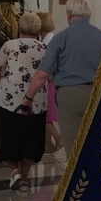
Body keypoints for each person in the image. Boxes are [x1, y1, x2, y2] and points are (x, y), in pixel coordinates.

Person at [21, 0, 101, 158]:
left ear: (68, 14)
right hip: (100, 93)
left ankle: (78, 182)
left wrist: (28, 98)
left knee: (75, 147)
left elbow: (42, 74)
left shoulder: (61, 37)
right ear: (88, 14)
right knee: (98, 144)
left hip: (71, 95)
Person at [0, 13, 47, 192]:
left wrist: (5, 85)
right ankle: (24, 178)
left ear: (19, 28)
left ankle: (14, 173)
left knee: (10, 134)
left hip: (10, 100)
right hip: (36, 100)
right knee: (32, 138)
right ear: (38, 29)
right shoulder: (45, 47)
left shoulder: (9, 45)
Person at [37, 11, 63, 154]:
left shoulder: (49, 41)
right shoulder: (46, 39)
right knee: (45, 113)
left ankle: (59, 138)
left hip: (49, 81)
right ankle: (47, 144)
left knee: (44, 115)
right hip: (49, 81)